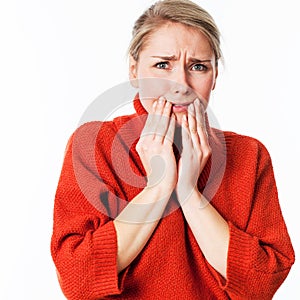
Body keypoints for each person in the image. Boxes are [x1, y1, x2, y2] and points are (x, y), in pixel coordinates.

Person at [51, 0, 295, 299]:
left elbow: (261, 285)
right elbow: (79, 279)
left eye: (198, 66)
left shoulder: (249, 155)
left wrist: (189, 191)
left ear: (214, 76)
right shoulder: (94, 144)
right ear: (134, 70)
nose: (181, 84)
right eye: (162, 65)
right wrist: (158, 188)